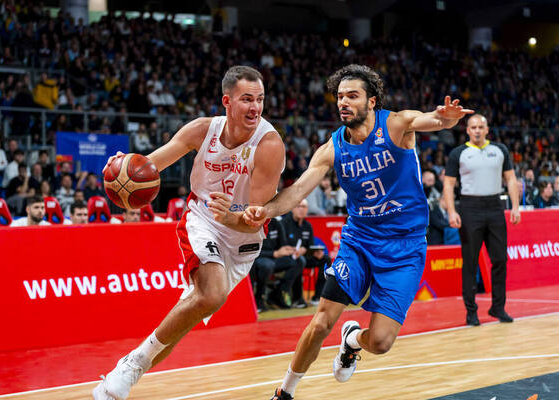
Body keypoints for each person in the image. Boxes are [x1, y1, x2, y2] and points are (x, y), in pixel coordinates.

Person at [240, 64, 473, 400]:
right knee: (321, 322)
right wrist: (267, 210)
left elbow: (434, 121)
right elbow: (298, 189)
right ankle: (285, 392)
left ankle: (351, 341)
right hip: (359, 241)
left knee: (380, 342)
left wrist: (447, 117)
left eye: (352, 95)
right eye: (339, 97)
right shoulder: (332, 148)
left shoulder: (396, 125)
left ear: (372, 101)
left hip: (405, 248)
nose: (343, 102)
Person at [93, 65, 285, 400]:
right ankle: (128, 369)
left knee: (188, 316)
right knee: (212, 295)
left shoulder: (269, 145)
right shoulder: (201, 130)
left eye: (260, 99)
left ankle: (128, 368)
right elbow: (148, 166)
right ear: (227, 101)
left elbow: (255, 216)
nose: (255, 107)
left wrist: (234, 215)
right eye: (246, 99)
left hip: (244, 235)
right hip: (203, 220)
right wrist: (123, 169)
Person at [442, 114, 520, 327]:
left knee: (500, 260)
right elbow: (448, 185)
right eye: (473, 127)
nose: (477, 130)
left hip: (495, 206)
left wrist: (515, 206)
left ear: (487, 129)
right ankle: (471, 312)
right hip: (469, 208)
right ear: (467, 130)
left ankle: (498, 307)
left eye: (480, 127)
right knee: (470, 262)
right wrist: (451, 211)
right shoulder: (458, 153)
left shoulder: (500, 150)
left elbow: (511, 179)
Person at [252, 217, 298, 312]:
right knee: (267, 265)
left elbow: (282, 244)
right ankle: (258, 297)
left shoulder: (276, 223)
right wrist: (274, 253)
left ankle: (277, 294)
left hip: (274, 258)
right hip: (258, 258)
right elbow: (251, 250)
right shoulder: (254, 223)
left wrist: (288, 249)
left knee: (298, 261)